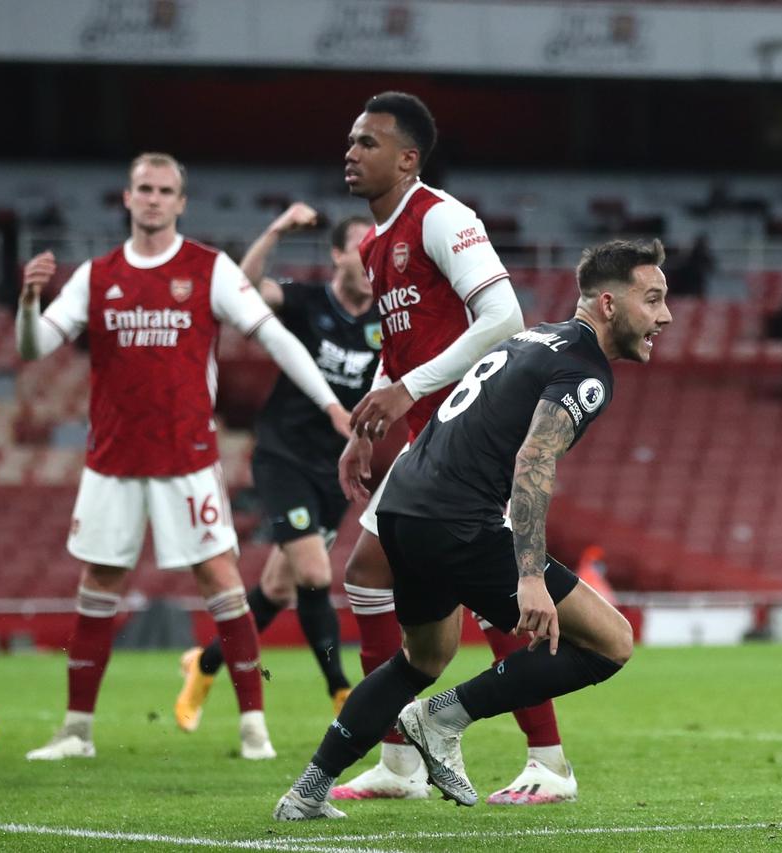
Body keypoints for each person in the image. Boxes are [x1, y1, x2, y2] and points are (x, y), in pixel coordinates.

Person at [274, 238, 670, 821]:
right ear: (609, 304)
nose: (664, 316)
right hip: (456, 520)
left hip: (404, 508)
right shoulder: (584, 369)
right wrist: (530, 575)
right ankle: (441, 718)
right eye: (653, 299)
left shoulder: (531, 338)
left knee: (421, 659)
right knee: (612, 642)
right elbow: (534, 460)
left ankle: (307, 790)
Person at [17, 152, 349, 761]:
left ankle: (254, 727)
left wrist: (330, 404)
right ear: (127, 197)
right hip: (112, 460)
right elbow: (35, 344)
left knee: (220, 580)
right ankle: (76, 732)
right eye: (143, 188)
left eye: (165, 190)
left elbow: (274, 336)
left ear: (180, 202)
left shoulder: (209, 269)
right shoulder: (96, 275)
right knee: (97, 586)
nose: (153, 199)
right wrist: (28, 301)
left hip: (188, 460)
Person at [318, 91, 574, 805]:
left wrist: (404, 392)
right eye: (350, 139)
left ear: (408, 158)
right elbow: (397, 349)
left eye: (368, 142)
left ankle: (548, 761)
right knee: (367, 573)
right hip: (430, 440)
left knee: (492, 598)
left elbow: (505, 316)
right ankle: (399, 763)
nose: (351, 151)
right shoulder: (374, 244)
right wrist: (368, 424)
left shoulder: (443, 217)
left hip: (479, 434)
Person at [174, 203, 378, 731]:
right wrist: (276, 230)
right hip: (283, 454)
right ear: (337, 255)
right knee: (314, 573)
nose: (371, 254)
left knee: (280, 589)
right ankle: (340, 692)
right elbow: (244, 291)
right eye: (361, 245)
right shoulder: (309, 300)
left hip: (336, 467)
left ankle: (204, 664)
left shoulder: (387, 319)